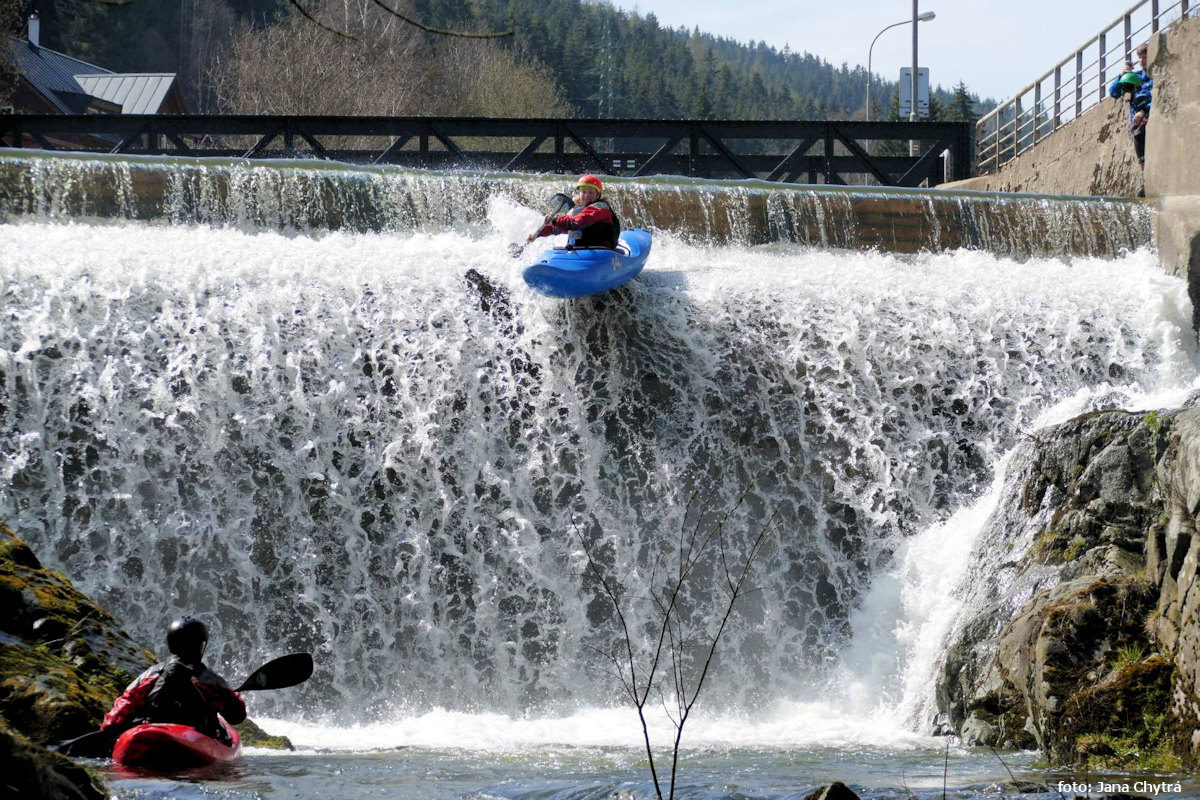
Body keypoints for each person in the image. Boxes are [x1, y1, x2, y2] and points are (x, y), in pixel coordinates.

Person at [101, 616, 247, 744]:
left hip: (153, 729)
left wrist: (108, 729)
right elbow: (237, 716)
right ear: (202, 646)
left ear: (171, 644)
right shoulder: (213, 681)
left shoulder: (151, 674)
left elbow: (126, 702)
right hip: (199, 736)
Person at [526, 174, 621, 249]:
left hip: (601, 249)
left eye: (591, 192)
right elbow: (557, 228)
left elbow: (579, 221)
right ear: (579, 193)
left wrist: (555, 221)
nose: (586, 195)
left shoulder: (600, 208)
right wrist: (538, 234)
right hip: (579, 249)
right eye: (583, 192)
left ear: (598, 195)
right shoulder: (576, 210)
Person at [1108, 44, 1152, 170]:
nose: (1143, 60)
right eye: (1141, 58)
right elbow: (1114, 92)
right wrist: (1121, 75)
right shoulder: (1134, 78)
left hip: (1150, 116)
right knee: (1137, 129)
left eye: (1145, 57)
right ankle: (1142, 166)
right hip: (1138, 124)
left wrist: (1144, 111)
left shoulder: (1154, 76)